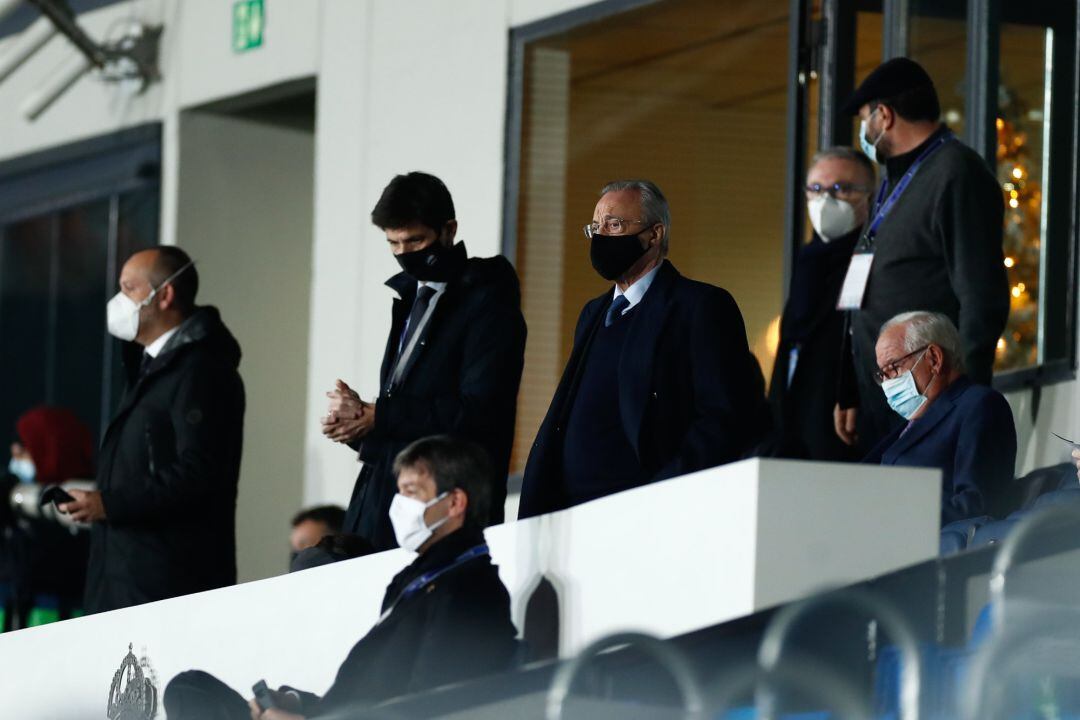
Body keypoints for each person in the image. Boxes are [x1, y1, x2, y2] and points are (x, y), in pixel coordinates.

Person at [164, 435, 519, 719]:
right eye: (400, 492)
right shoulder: (416, 581)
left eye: (412, 492)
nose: (400, 505)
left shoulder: (471, 591)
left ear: (455, 503)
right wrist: (296, 702)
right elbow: (362, 696)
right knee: (189, 688)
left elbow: (426, 710)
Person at [518, 179, 769, 518]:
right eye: (596, 228)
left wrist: (660, 494)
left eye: (615, 224)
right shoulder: (593, 312)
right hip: (570, 515)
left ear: (655, 234)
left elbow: (722, 417)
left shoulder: (700, 306)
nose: (602, 236)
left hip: (646, 514)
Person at [321, 172, 526, 551]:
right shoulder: (410, 300)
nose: (405, 254)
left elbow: (479, 411)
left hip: (446, 513)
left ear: (449, 230)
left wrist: (379, 415)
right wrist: (357, 426)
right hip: (379, 503)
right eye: (393, 244)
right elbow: (407, 422)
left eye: (415, 240)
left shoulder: (485, 296)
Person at [834, 58, 1009, 455]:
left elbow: (982, 299)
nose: (865, 131)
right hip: (883, 395)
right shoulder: (890, 183)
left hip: (933, 402)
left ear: (884, 115)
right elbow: (860, 291)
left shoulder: (955, 172)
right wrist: (851, 384)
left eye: (865, 119)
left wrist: (964, 406)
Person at [60, 247, 246, 613]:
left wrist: (108, 503)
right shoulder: (150, 369)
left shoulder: (200, 370)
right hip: (124, 581)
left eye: (129, 288)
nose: (118, 300)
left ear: (165, 295)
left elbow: (198, 473)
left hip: (166, 587)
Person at [770, 147, 875, 461]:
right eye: (816, 189)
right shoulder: (807, 261)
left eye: (841, 189)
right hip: (790, 421)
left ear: (869, 196)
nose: (826, 199)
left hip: (840, 424)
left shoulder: (875, 259)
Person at [864, 312, 1016, 526]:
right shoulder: (910, 423)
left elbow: (976, 505)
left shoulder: (978, 405)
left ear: (934, 358)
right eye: (883, 375)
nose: (888, 384)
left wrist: (892, 520)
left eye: (894, 368)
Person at [0, 407, 94, 628]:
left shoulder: (87, 511)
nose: (15, 456)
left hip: (58, 634)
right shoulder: (13, 504)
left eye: (25, 449)